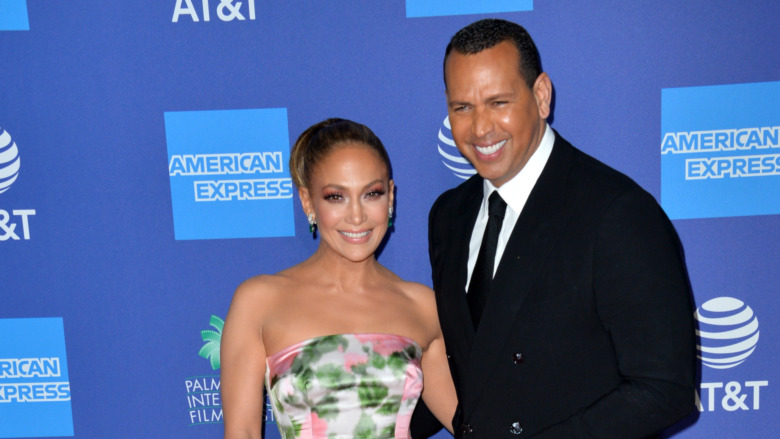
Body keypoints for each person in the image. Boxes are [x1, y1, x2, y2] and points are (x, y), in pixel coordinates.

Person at [411, 19, 696, 438]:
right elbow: (473, 368)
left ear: (541, 95)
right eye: (462, 107)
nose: (480, 127)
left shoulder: (616, 211)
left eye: (498, 102)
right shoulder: (449, 216)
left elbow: (664, 387)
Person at [220, 118, 457, 439]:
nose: (357, 216)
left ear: (390, 197)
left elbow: (471, 423)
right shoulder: (259, 300)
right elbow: (243, 432)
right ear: (308, 202)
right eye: (336, 196)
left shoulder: (423, 304)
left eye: (371, 193)